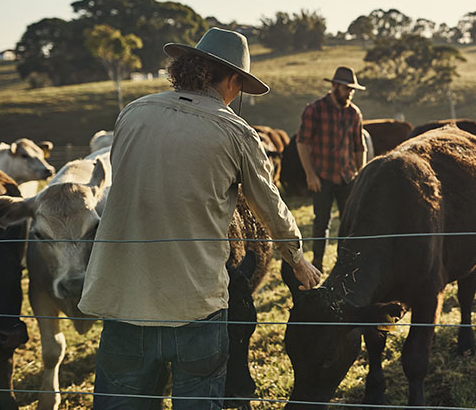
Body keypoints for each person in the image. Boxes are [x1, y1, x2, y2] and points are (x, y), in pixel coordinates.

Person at [78, 27, 321, 410]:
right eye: (240, 86)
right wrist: (297, 258)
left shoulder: (132, 114)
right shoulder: (236, 131)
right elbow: (270, 207)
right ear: (233, 78)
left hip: (123, 299)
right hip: (195, 306)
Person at [296, 66, 366, 271]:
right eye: (347, 88)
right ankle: (317, 263)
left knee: (349, 223)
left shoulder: (354, 113)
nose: (350, 92)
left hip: (346, 177)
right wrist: (310, 174)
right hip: (322, 175)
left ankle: (344, 264)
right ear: (335, 86)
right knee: (321, 222)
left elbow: (359, 146)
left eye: (352, 89)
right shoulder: (315, 109)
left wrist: (360, 174)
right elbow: (302, 142)